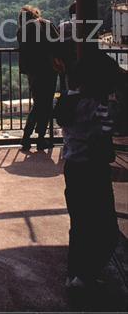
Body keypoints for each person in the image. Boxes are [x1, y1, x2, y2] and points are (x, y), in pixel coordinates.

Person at [62, 46, 125, 291]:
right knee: (107, 230)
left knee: (80, 225)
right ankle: (84, 278)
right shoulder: (97, 108)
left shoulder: (70, 101)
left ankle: (74, 274)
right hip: (93, 171)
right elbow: (114, 128)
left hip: (74, 169)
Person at [16, 5, 61, 151]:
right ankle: (40, 138)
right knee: (46, 103)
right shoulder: (47, 24)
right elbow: (58, 43)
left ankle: (27, 137)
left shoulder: (22, 30)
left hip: (34, 71)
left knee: (38, 102)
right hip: (49, 69)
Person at [57, 2, 78, 93]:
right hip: (77, 66)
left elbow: (56, 44)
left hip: (63, 66)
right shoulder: (85, 27)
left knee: (65, 91)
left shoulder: (62, 27)